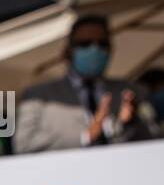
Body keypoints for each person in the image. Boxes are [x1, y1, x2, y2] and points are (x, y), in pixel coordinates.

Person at [14, 14, 157, 153]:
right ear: (67, 51)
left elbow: (154, 142)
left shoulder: (133, 93)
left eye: (102, 44)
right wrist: (86, 136)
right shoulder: (38, 95)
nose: (94, 49)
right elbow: (23, 145)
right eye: (84, 44)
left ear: (111, 49)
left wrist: (129, 125)